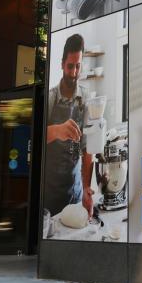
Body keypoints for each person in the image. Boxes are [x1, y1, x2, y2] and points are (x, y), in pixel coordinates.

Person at [44, 33, 94, 219]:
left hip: (75, 191)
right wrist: (57, 130)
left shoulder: (86, 99)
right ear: (62, 64)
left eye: (78, 66)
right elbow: (36, 139)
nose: (74, 72)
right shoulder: (50, 98)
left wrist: (87, 187)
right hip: (49, 192)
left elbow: (87, 149)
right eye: (70, 66)